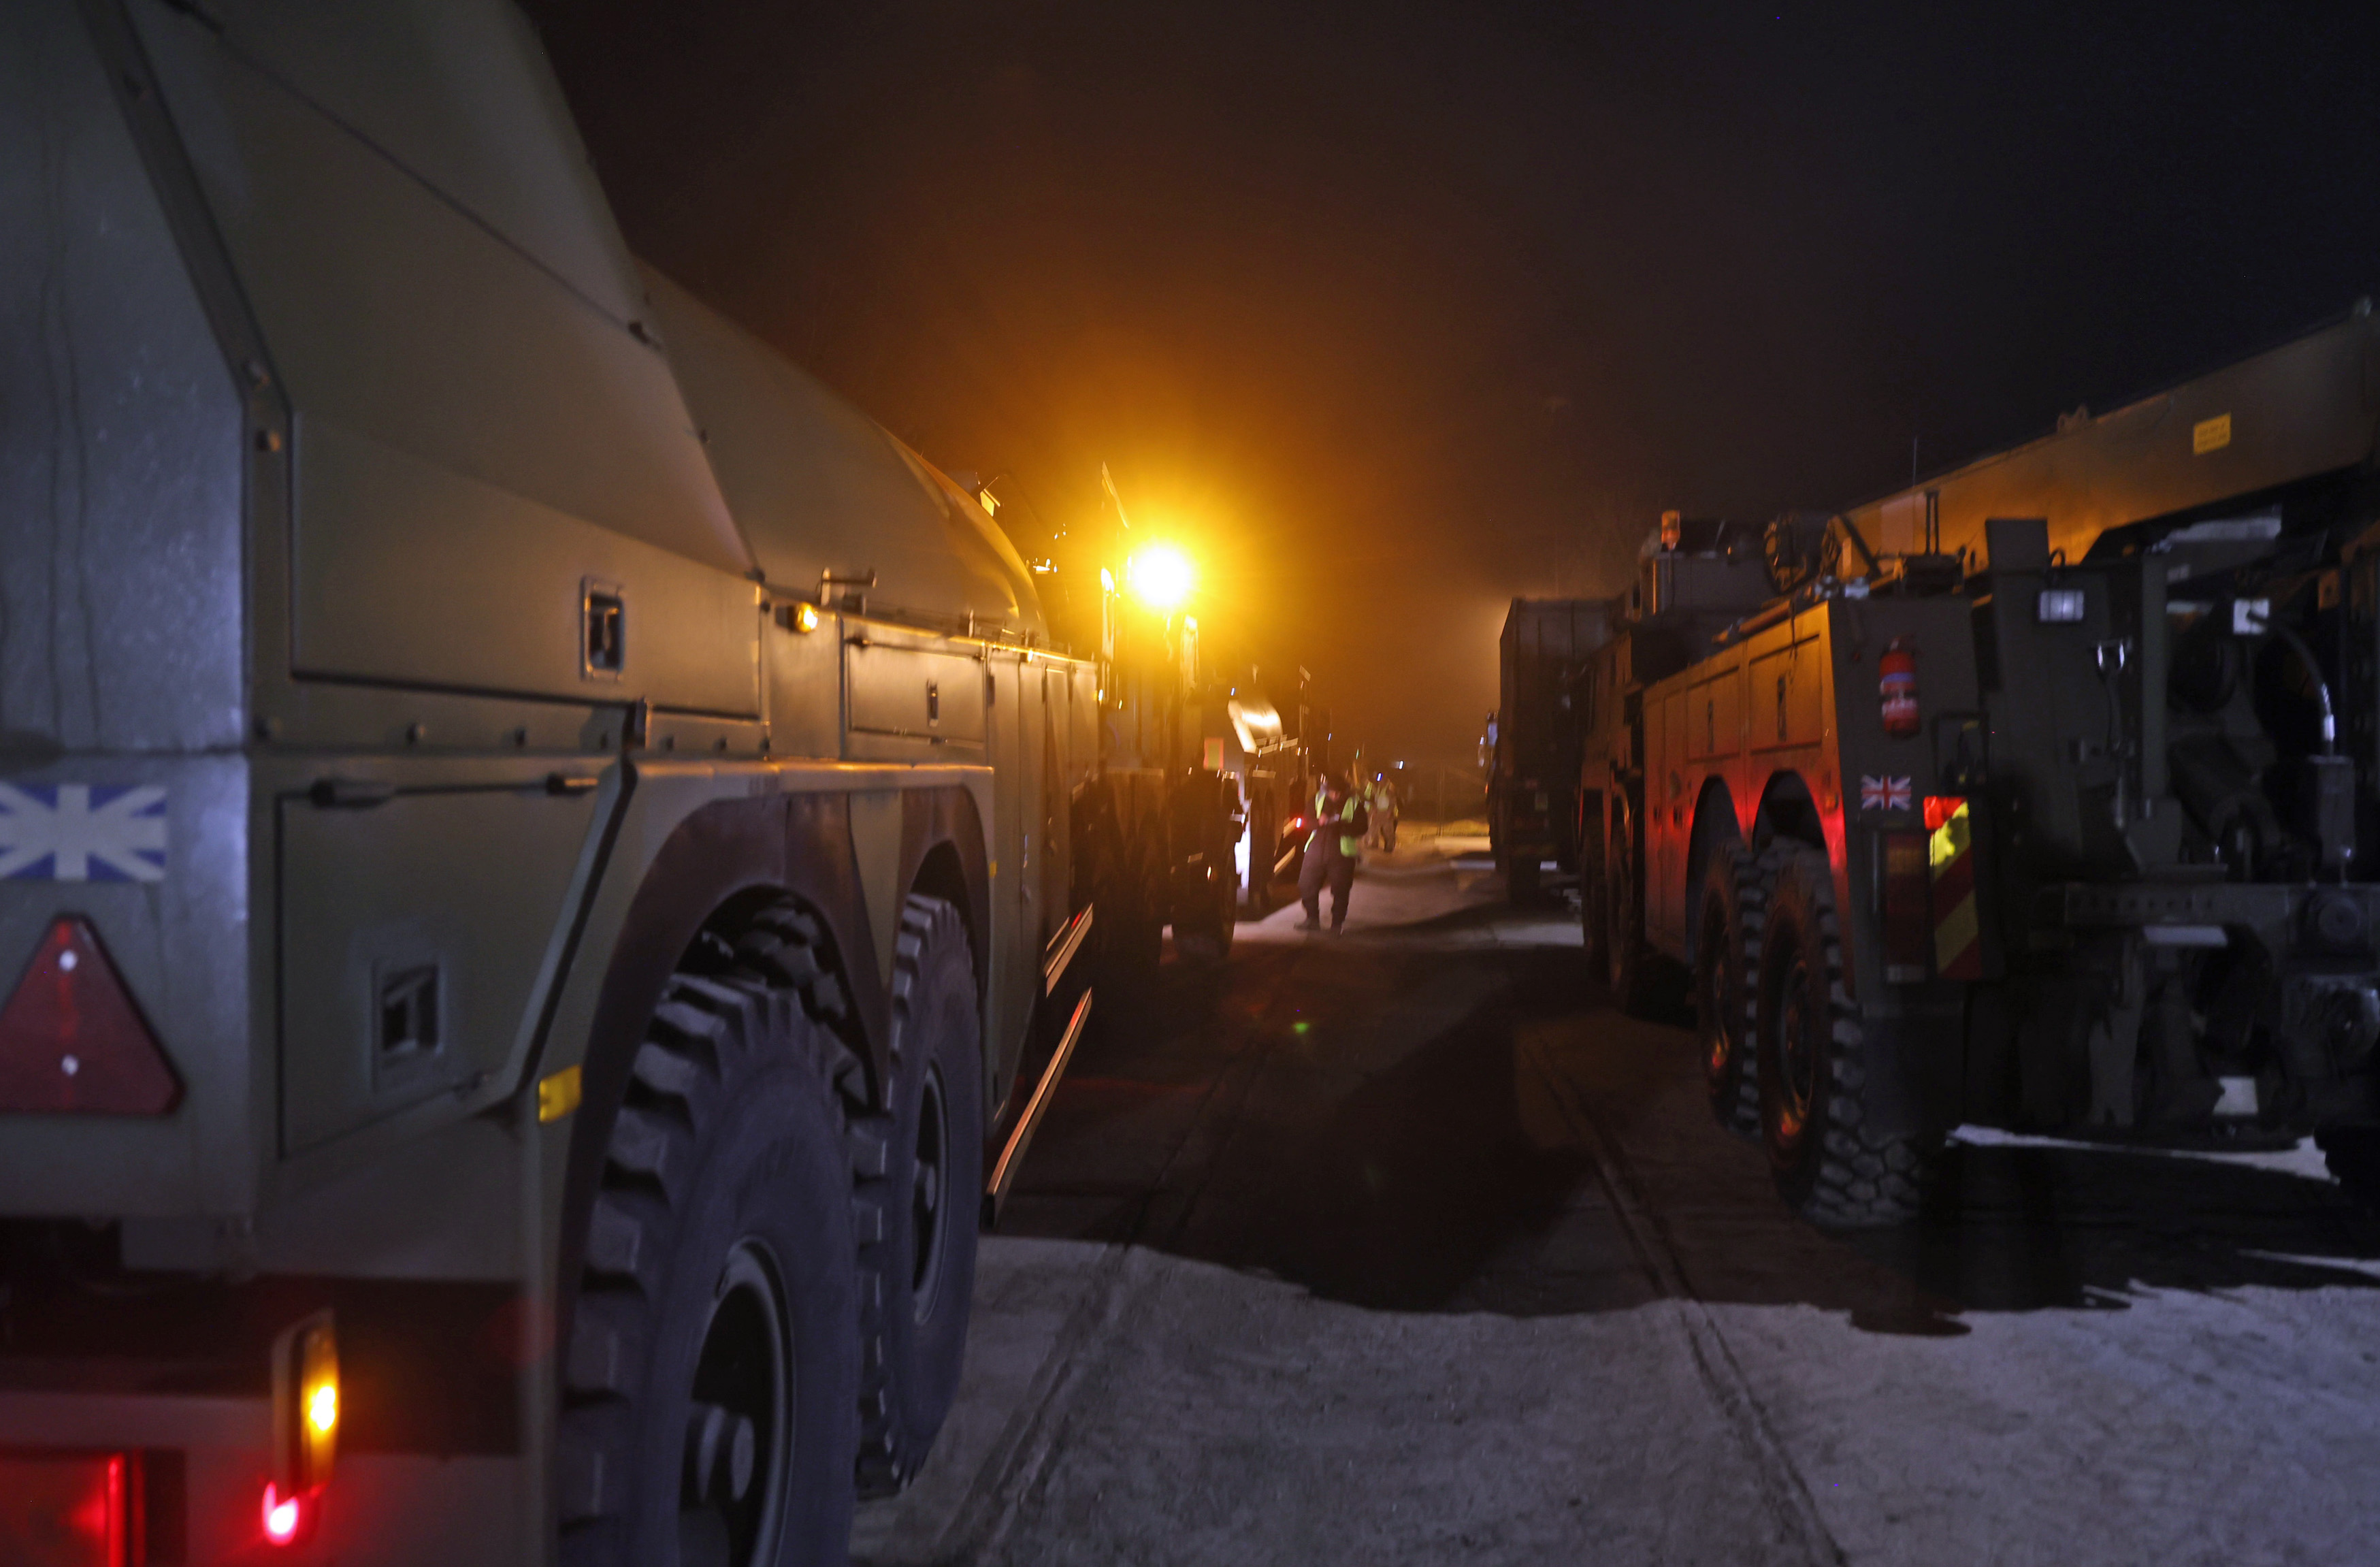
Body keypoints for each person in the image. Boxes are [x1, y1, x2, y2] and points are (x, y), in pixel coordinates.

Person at [1297, 771, 1367, 932]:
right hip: (1316, 849)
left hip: (1341, 853)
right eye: (1332, 792)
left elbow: (1363, 827)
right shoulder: (1317, 799)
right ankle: (1312, 919)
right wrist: (1318, 822)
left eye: (1338, 793)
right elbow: (1306, 822)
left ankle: (1337, 924)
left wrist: (1341, 826)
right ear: (1327, 790)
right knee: (1306, 884)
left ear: (1344, 792)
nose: (1335, 796)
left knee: (1341, 890)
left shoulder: (1354, 803)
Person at [1375, 773, 1399, 852]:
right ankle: (1387, 846)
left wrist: (1389, 812)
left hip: (1387, 812)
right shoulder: (1380, 788)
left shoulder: (1389, 788)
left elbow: (1393, 801)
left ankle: (1390, 848)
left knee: (1388, 831)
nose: (1379, 783)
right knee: (1383, 831)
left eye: (1380, 781)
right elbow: (1378, 800)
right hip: (1381, 812)